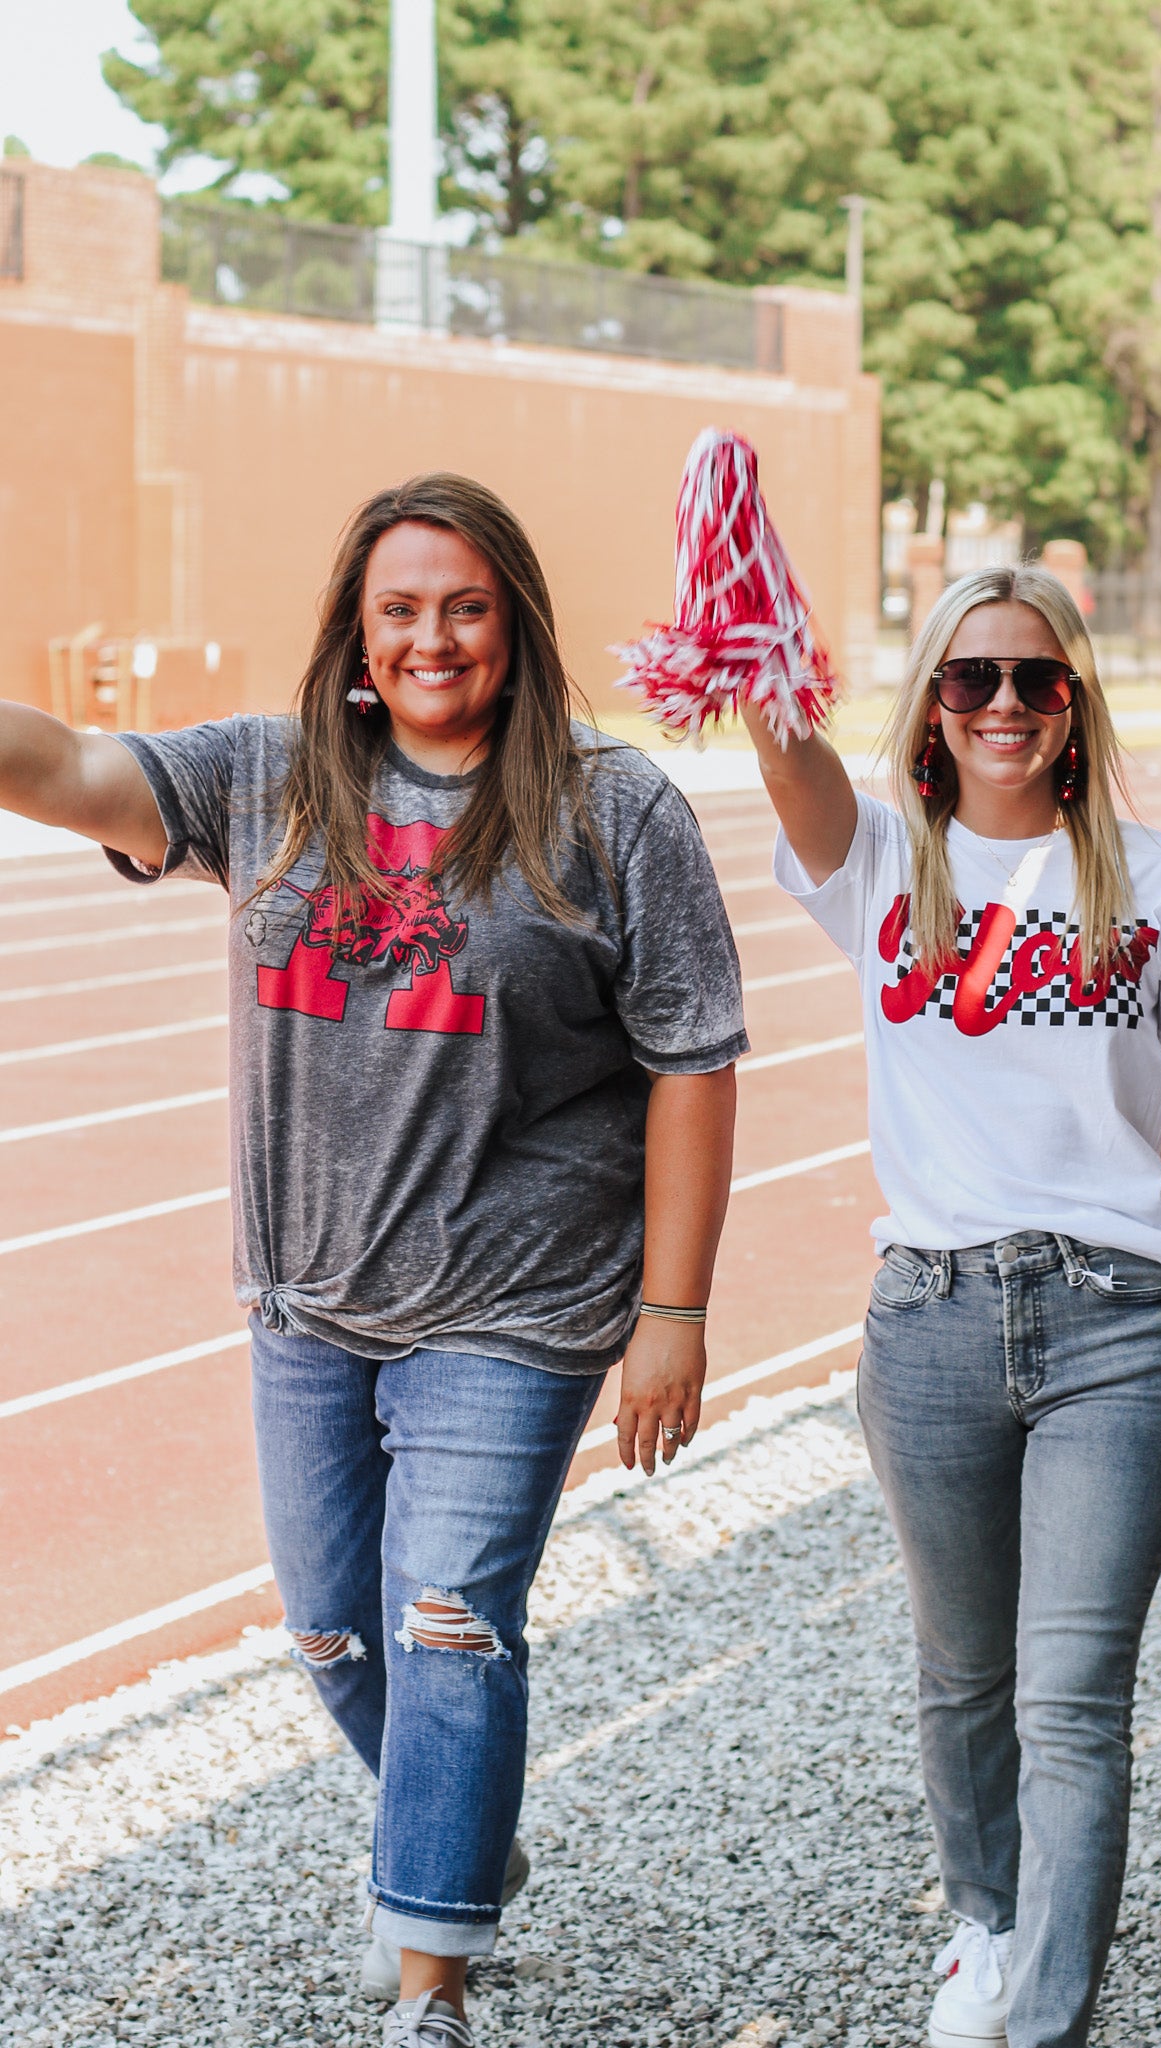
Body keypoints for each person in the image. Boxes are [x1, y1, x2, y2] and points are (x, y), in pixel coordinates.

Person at [0, 474, 747, 2048]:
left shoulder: (615, 811)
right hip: (309, 1303)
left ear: (515, 624)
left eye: (466, 606)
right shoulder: (266, 777)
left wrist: (672, 1311)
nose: (432, 638)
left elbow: (692, 1061)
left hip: (516, 1299)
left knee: (449, 1620)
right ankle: (456, 1830)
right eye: (399, 608)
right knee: (333, 1630)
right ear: (355, 629)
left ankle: (430, 1989)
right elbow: (62, 766)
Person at [739, 564, 1161, 2048]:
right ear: (931, 707)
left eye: (1035, 678)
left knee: (1072, 1697)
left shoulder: (1156, 881)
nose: (1002, 704)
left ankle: (1046, 2025)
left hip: (1115, 1324)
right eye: (971, 678)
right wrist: (749, 628)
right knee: (964, 1675)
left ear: (1073, 704)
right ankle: (989, 1924)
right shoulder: (878, 864)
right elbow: (787, 757)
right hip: (929, 1319)